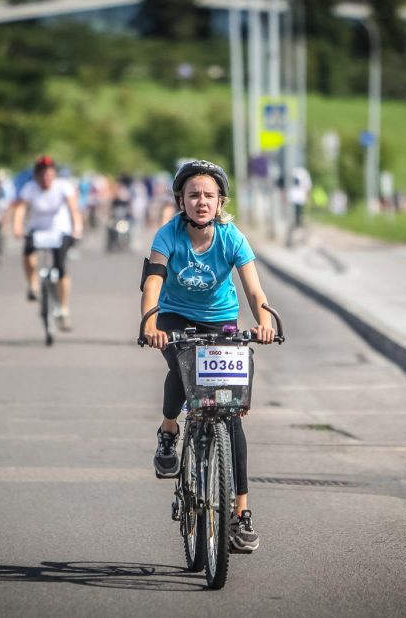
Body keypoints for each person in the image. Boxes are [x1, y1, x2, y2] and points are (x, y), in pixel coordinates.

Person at [140, 159, 276, 553]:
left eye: (209, 196)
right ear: (181, 200)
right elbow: (153, 280)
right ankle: (169, 432)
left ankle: (241, 514)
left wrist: (265, 321)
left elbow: (254, 290)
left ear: (220, 203)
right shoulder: (168, 235)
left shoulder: (232, 237)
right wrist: (150, 322)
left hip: (220, 320)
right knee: (184, 370)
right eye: (194, 195)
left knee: (230, 414)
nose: (202, 202)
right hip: (174, 316)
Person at [12, 155, 82, 330]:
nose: (46, 179)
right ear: (36, 176)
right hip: (38, 229)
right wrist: (17, 227)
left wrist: (77, 227)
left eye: (49, 175)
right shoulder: (30, 188)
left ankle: (64, 310)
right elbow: (20, 209)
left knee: (61, 268)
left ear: (54, 175)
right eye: (42, 175)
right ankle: (33, 285)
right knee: (28, 252)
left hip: (60, 230)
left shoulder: (63, 187)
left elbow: (73, 208)